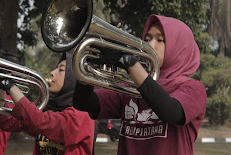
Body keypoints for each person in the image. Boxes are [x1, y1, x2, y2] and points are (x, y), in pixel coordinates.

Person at [73, 14, 207, 155]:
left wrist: (128, 61)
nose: (150, 44)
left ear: (180, 48)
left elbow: (170, 112)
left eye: (160, 40)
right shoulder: (131, 86)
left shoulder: (193, 88)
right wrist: (93, 62)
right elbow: (83, 103)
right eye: (147, 39)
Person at [0, 52, 95, 155]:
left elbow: (44, 124)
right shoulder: (48, 108)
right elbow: (8, 123)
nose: (52, 72)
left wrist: (9, 85)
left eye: (61, 70)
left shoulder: (82, 115)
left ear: (72, 78)